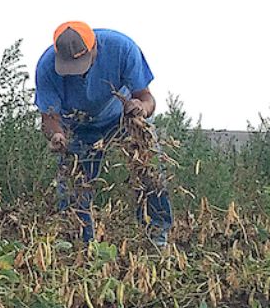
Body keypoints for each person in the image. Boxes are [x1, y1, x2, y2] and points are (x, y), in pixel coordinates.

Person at [34, 21, 172, 246]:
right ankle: (79, 245)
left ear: (95, 48)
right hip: (77, 127)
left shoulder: (122, 48)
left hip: (123, 119)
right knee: (72, 185)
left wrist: (139, 108)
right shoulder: (47, 67)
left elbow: (147, 99)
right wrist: (57, 136)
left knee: (149, 171)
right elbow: (49, 119)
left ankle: (156, 238)